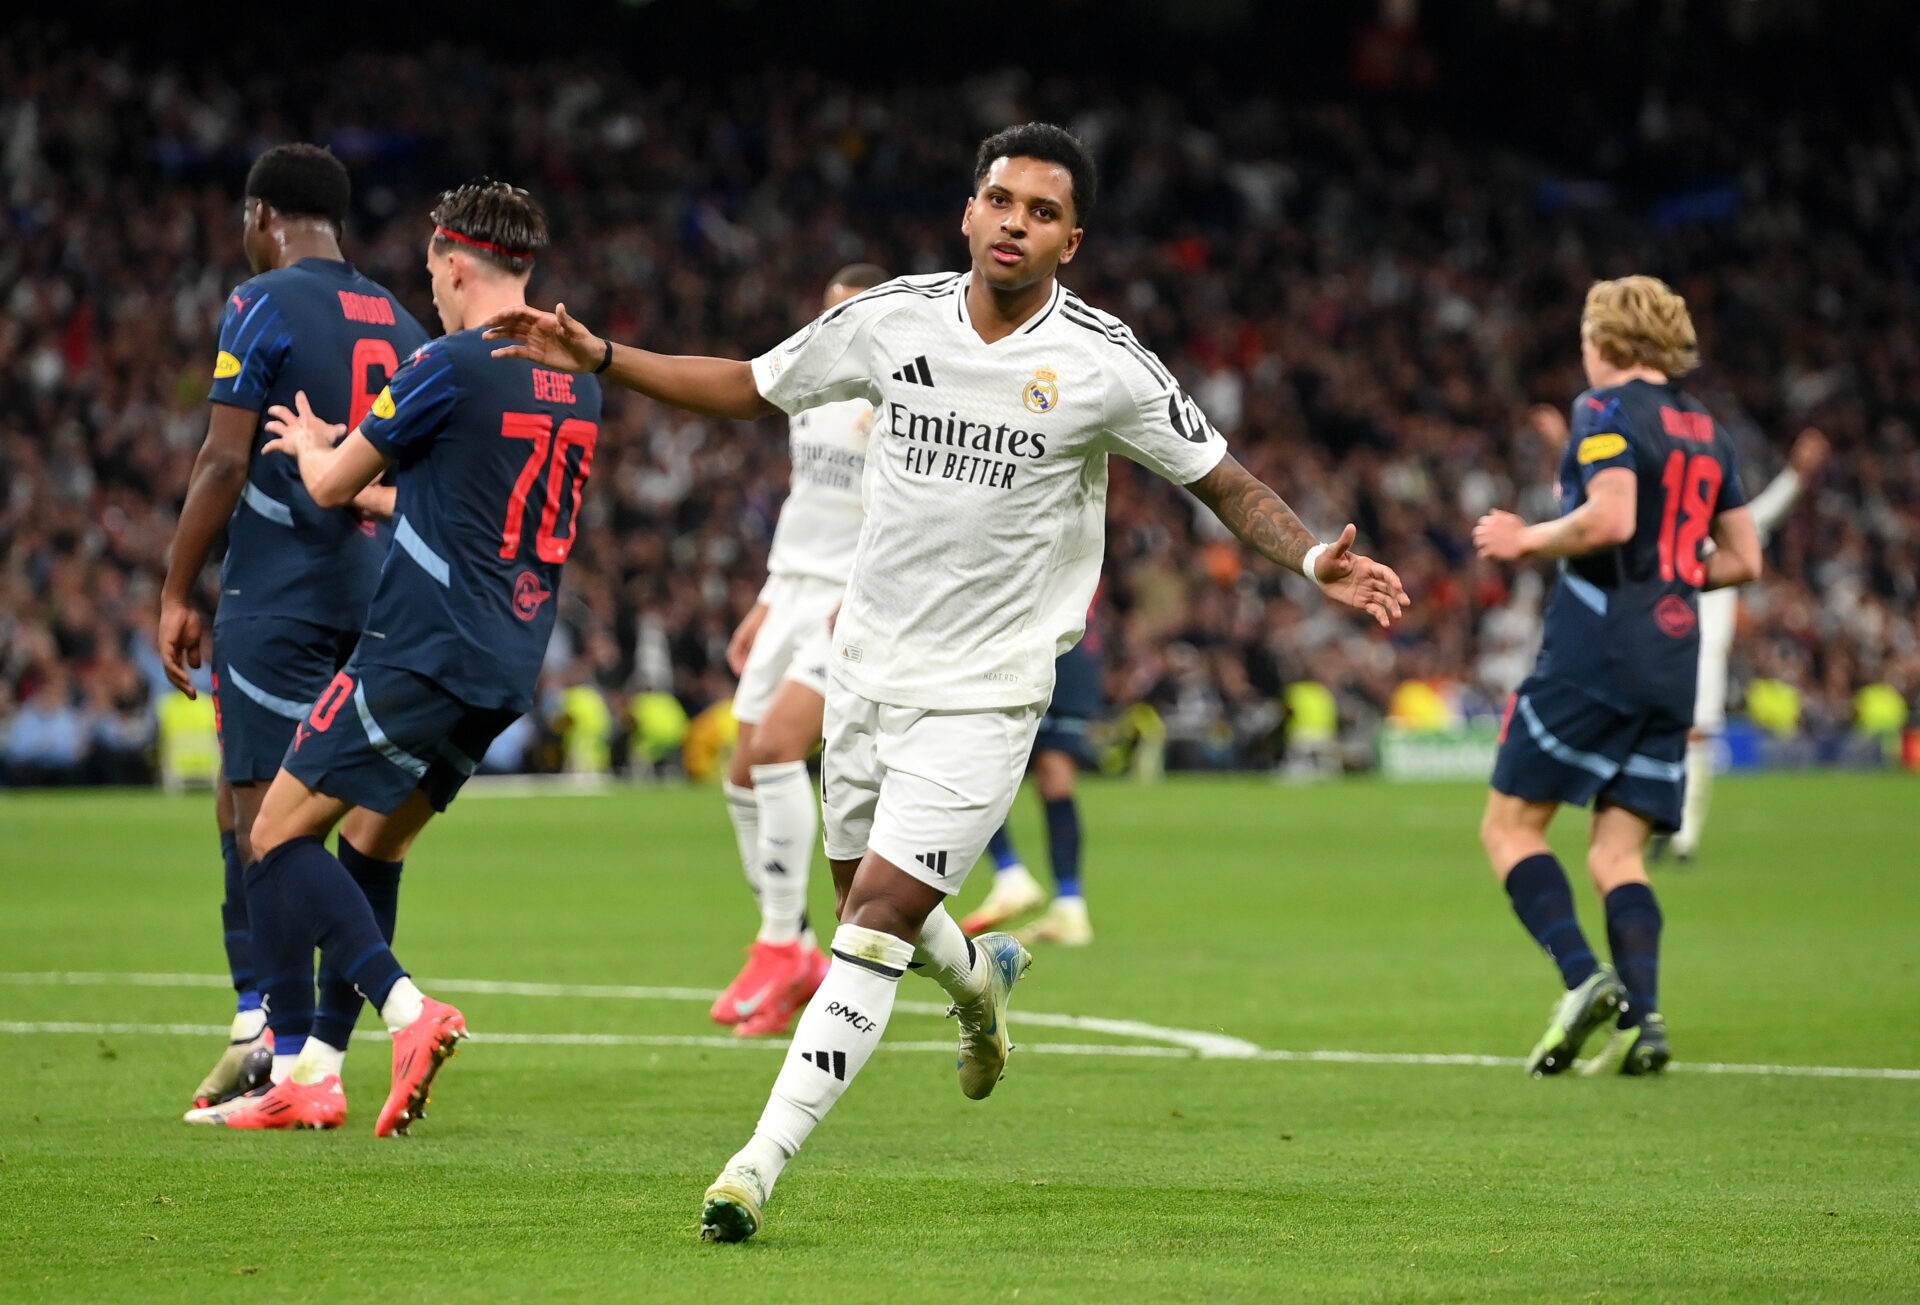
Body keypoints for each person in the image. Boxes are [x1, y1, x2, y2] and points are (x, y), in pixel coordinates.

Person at [487, 120, 1408, 1241]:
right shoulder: (887, 320)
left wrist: (1315, 556)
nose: (1016, 222)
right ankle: (979, 986)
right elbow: (749, 384)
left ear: (1075, 238)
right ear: (969, 212)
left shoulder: (1106, 362)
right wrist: (601, 357)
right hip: (866, 673)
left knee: (869, 928)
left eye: (1042, 211)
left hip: (989, 692)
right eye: (1001, 201)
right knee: (866, 907)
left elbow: (1223, 479)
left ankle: (752, 1167)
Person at [221, 180, 600, 1135]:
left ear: (457, 262)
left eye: (432, 265)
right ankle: (316, 1074)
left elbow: (333, 485)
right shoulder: (574, 377)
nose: (427, 283)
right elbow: (469, 516)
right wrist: (380, 494)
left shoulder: (451, 363)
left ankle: (407, 1009)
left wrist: (313, 445)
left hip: (419, 647)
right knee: (373, 843)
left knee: (273, 834)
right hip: (509, 663)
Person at [157, 144, 429, 1120]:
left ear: (265, 215)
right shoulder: (399, 318)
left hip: (278, 596)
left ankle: (276, 1048)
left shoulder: (259, 300)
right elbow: (415, 484)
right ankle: (305, 1049)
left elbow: (225, 464)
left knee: (256, 828)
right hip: (372, 599)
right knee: (346, 831)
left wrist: (176, 586)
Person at [1474, 275, 1760, 1079]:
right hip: (1674, 659)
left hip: (1598, 649)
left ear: (1605, 344)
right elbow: (1745, 558)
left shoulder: (1601, 411)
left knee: (1509, 827)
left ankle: (1581, 976)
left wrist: (1524, 538)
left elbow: (1612, 517)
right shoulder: (1709, 430)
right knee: (1617, 853)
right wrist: (1673, 580)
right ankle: (1646, 1019)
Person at [714, 264, 890, 1039]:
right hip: (793, 589)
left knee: (783, 746)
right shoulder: (812, 397)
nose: (837, 332)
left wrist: (859, 595)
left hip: (854, 597)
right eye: (830, 316)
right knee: (742, 769)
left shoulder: (898, 402)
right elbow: (808, 500)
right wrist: (767, 596)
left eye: (851, 318)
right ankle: (802, 950)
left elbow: (900, 514)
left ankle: (781, 941)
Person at [1668, 428, 1829, 860]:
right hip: (1661, 651)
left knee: (1695, 740)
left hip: (1703, 656)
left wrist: (1796, 475)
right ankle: (1664, 822)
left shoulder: (1727, 530)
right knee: (1660, 740)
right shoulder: (1667, 531)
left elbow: (1767, 513)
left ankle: (1684, 836)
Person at [963, 623, 1104, 946]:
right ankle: (1070, 905)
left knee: (970, 767)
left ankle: (1010, 875)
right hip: (1074, 647)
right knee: (1055, 778)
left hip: (1028, 647)